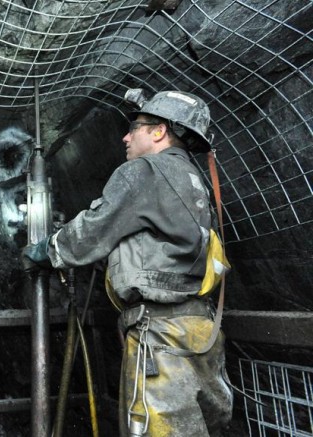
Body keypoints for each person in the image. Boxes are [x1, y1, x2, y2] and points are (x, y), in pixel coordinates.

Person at [23, 89, 233, 436]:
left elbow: (93, 228)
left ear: (159, 131)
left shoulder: (143, 171)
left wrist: (47, 251)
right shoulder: (193, 179)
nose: (125, 136)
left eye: (134, 127)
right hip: (201, 331)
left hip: (161, 338)